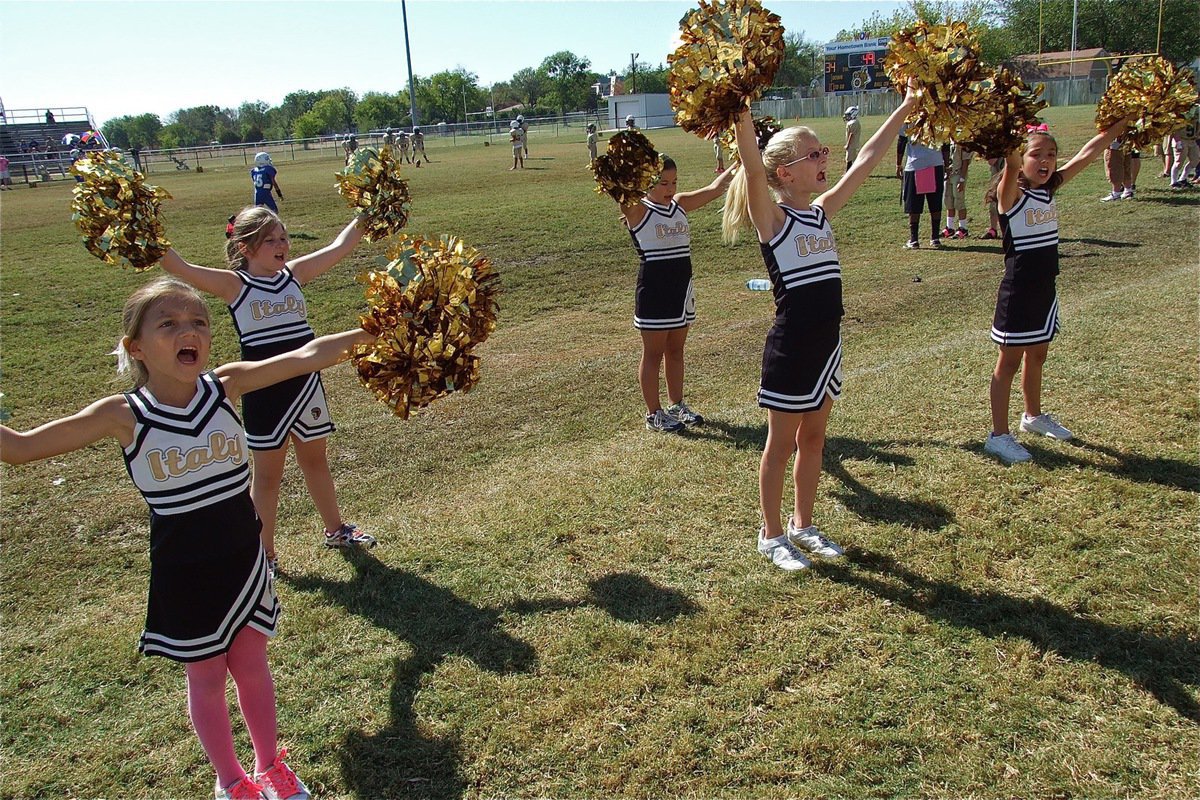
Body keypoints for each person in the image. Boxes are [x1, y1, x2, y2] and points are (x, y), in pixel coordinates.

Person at [0, 277, 374, 799]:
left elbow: (308, 354)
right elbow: (19, 449)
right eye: (169, 324)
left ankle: (270, 766)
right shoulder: (123, 416)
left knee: (252, 662)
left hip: (244, 555)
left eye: (198, 321)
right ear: (137, 348)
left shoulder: (227, 385)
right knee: (206, 677)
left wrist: (377, 329)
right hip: (186, 567)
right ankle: (231, 781)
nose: (188, 331)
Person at [722, 79, 921, 570]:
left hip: (827, 344)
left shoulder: (820, 212)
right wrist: (740, 113)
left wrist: (907, 106)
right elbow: (751, 165)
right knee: (780, 446)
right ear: (786, 173)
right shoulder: (772, 220)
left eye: (823, 152)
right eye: (815, 154)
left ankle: (802, 524)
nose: (824, 159)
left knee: (814, 440)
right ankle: (771, 536)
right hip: (791, 347)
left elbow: (869, 158)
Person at [159, 207, 377, 575]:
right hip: (264, 389)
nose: (282, 245)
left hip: (307, 384)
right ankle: (265, 555)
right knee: (268, 475)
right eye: (271, 240)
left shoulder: (294, 275)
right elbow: (182, 268)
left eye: (283, 237)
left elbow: (338, 248)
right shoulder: (236, 285)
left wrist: (366, 217)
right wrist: (147, 237)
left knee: (315, 460)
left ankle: (336, 530)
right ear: (245, 247)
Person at [983, 118, 1129, 464]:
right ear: (1021, 159)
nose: (1045, 160)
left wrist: (1113, 131)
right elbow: (1012, 166)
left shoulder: (1047, 189)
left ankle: (1032, 417)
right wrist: (1012, 148)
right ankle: (998, 436)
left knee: (1038, 354)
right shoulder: (1012, 195)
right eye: (1037, 155)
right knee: (1008, 363)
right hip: (1018, 294)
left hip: (1046, 290)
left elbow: (1086, 154)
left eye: (1051, 154)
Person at [618, 155, 735, 433]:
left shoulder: (679, 204)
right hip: (655, 290)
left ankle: (676, 405)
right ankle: (653, 414)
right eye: (662, 183)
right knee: (653, 353)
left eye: (674, 182)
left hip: (682, 288)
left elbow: (716, 189)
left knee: (676, 350)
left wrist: (742, 160)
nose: (669, 189)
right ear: (646, 183)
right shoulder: (638, 210)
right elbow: (620, 192)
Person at [901, 134, 946, 248]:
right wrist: (946, 162)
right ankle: (935, 238)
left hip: (915, 164)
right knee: (935, 202)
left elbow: (902, 140)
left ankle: (914, 239)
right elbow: (945, 140)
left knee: (913, 204)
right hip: (936, 162)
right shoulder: (938, 116)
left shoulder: (907, 119)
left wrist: (898, 164)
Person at [941, 142, 972, 239]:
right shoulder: (949, 140)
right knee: (948, 200)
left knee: (959, 201)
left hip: (958, 174)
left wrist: (962, 179)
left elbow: (965, 161)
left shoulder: (962, 140)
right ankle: (949, 227)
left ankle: (963, 228)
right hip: (948, 174)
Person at [842, 106, 861, 172]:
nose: (847, 116)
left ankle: (847, 172)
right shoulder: (852, 122)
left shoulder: (854, 123)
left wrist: (848, 144)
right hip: (853, 144)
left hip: (852, 144)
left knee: (849, 158)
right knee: (853, 158)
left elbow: (851, 134)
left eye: (849, 115)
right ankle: (855, 171)